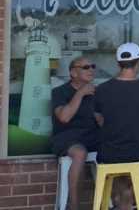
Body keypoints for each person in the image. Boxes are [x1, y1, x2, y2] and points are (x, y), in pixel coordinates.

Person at [94, 43, 139, 210]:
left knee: (117, 161)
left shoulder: (102, 89)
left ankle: (123, 200)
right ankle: (130, 194)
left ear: (118, 63)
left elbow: (99, 119)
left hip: (108, 152)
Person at [51, 56, 100, 210]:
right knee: (80, 153)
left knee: (118, 144)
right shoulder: (60, 92)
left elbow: (101, 120)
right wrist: (80, 93)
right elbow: (64, 117)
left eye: (92, 66)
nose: (91, 70)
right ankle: (74, 206)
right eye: (86, 67)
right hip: (67, 137)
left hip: (92, 136)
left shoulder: (96, 93)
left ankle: (119, 199)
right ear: (73, 72)